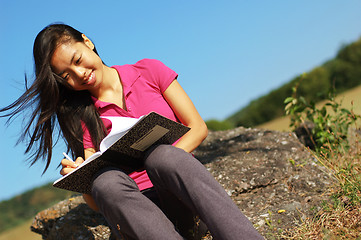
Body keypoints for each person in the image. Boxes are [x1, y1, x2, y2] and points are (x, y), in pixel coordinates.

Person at [0, 23, 263, 240]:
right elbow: (96, 203)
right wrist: (82, 177)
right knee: (103, 182)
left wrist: (156, 165)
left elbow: (198, 127)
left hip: (178, 195)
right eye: (67, 76)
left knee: (161, 156)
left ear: (87, 42)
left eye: (77, 60)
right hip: (137, 214)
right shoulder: (83, 118)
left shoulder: (149, 71)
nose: (79, 74)